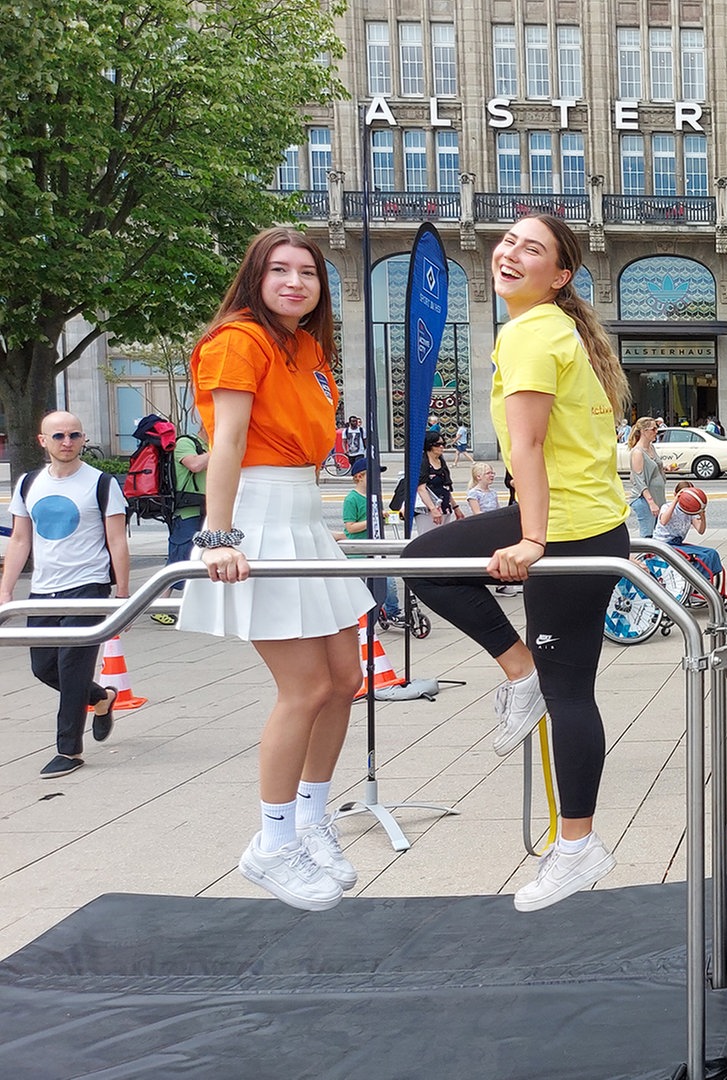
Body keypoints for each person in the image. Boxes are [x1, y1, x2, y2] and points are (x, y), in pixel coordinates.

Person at [403, 213, 632, 912]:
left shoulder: (531, 334)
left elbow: (526, 449)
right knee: (428, 565)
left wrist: (532, 540)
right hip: (591, 525)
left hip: (567, 532)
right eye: (509, 241)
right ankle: (522, 673)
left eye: (531, 249)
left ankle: (578, 845)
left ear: (560, 275)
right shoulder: (560, 330)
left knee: (428, 566)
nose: (510, 252)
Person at [176, 227, 373, 911]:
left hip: (301, 515)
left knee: (346, 680)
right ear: (254, 277)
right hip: (255, 515)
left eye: (308, 273)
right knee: (306, 688)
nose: (295, 282)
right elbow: (225, 440)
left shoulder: (310, 348)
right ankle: (272, 841)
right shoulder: (238, 340)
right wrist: (219, 534)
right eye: (280, 270)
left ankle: (314, 817)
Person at [2, 411, 132, 778]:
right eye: (58, 435)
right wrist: (6, 589)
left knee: (72, 669)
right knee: (44, 667)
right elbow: (20, 539)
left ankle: (69, 750)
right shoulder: (29, 484)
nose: (67, 441)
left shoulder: (101, 484)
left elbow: (117, 540)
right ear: (42, 441)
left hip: (88, 585)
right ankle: (102, 697)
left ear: (83, 438)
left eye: (74, 434)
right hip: (44, 589)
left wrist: (123, 594)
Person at [153, 420, 210, 624]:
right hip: (187, 511)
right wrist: (221, 450)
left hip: (204, 509)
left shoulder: (207, 447)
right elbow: (194, 465)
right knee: (178, 559)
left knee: (198, 559)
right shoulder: (186, 442)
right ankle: (159, 605)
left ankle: (195, 605)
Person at [340, 458, 401, 622]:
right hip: (359, 551)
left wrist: (386, 517)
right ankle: (357, 617)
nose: (377, 479)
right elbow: (350, 527)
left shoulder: (374, 497)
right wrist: (372, 520)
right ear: (360, 476)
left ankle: (392, 611)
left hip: (376, 549)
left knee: (389, 583)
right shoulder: (351, 499)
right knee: (359, 587)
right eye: (373, 475)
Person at [464, 463, 518, 597]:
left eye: (492, 473)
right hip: (482, 526)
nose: (492, 475)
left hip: (494, 524)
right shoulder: (474, 493)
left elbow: (498, 508)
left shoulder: (493, 492)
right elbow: (477, 512)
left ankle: (502, 583)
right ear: (479, 476)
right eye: (488, 473)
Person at [656, 481, 724, 586]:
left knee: (712, 553)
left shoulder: (689, 511)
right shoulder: (666, 507)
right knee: (702, 557)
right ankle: (694, 584)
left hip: (678, 544)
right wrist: (676, 500)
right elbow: (664, 521)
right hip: (664, 544)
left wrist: (702, 513)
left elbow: (701, 530)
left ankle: (703, 582)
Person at [627, 417, 666, 539]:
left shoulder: (651, 448)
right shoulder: (638, 452)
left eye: (657, 428)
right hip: (644, 500)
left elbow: (653, 467)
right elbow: (639, 480)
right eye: (653, 429)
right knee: (647, 536)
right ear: (643, 431)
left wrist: (667, 468)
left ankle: (652, 557)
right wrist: (651, 503)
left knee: (657, 534)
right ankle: (644, 558)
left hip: (657, 497)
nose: (656, 432)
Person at [415, 431, 460, 530]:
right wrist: (433, 509)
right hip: (427, 510)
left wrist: (455, 507)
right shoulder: (423, 462)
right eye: (437, 444)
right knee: (428, 539)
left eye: (443, 444)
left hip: (444, 506)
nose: (441, 447)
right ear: (429, 445)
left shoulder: (441, 461)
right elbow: (421, 488)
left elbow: (446, 486)